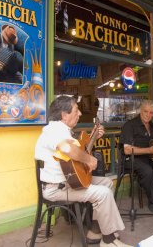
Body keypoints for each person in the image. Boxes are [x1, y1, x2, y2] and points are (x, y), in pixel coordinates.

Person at [35, 96, 131, 247]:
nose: (79, 114)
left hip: (67, 182)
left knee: (106, 183)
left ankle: (95, 230)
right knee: (103, 193)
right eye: (76, 110)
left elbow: (74, 158)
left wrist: (94, 137)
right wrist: (88, 160)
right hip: (56, 189)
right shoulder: (53, 130)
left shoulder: (64, 130)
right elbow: (67, 149)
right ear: (64, 115)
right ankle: (108, 241)